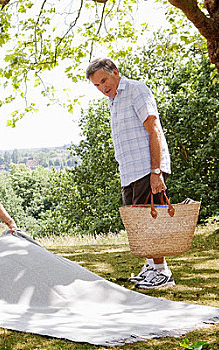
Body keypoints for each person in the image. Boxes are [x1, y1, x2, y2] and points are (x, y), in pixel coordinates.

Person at [86, 58, 174, 289]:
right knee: (137, 225)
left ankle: (163, 272)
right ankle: (150, 268)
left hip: (146, 168)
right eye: (97, 85)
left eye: (104, 80)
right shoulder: (113, 101)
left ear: (115, 72)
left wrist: (156, 171)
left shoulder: (135, 89)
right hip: (129, 171)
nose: (102, 88)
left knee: (150, 222)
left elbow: (153, 127)